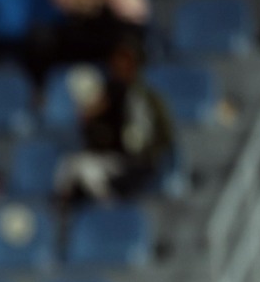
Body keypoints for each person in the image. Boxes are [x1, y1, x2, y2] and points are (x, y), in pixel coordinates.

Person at [54, 37, 173, 202]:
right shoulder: (107, 95)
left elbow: (161, 137)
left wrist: (144, 149)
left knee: (87, 169)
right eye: (116, 65)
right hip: (113, 160)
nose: (120, 69)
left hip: (138, 165)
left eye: (126, 64)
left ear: (136, 66)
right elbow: (99, 140)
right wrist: (90, 118)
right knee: (71, 166)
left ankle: (111, 210)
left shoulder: (145, 99)